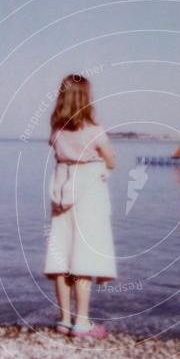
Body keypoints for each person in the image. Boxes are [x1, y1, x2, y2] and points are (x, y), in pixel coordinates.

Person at [44, 74, 117, 338]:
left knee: (61, 255)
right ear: (86, 99)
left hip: (61, 193)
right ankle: (82, 322)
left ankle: (64, 319)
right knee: (83, 257)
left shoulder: (56, 132)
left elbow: (59, 154)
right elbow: (111, 160)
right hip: (87, 196)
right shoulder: (94, 131)